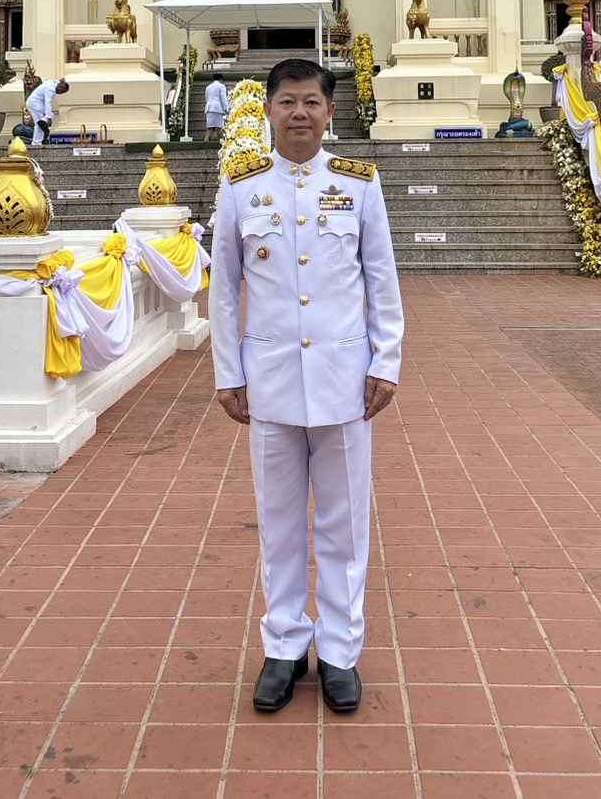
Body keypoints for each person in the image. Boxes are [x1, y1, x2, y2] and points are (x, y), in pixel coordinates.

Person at [210, 58, 404, 715]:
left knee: (344, 525)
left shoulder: (358, 183)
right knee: (279, 522)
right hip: (268, 382)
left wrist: (386, 361)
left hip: (345, 380)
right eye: (288, 101)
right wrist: (228, 371)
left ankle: (341, 651)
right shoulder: (241, 186)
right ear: (268, 110)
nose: (300, 112)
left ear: (330, 112)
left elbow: (381, 279)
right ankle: (285, 645)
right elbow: (223, 289)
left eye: (312, 102)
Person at [26, 77, 68, 147]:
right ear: (60, 87)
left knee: (39, 123)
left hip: (34, 103)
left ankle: (36, 141)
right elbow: (48, 103)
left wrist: (59, 81)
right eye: (62, 91)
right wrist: (49, 118)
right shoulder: (50, 90)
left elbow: (54, 81)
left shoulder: (54, 83)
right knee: (46, 118)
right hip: (35, 103)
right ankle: (37, 142)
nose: (61, 93)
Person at [204, 76, 230, 141]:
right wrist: (226, 108)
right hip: (217, 108)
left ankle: (206, 140)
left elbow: (206, 98)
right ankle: (222, 141)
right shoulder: (221, 86)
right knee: (220, 127)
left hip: (209, 108)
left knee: (210, 127)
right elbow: (223, 98)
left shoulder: (208, 87)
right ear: (221, 79)